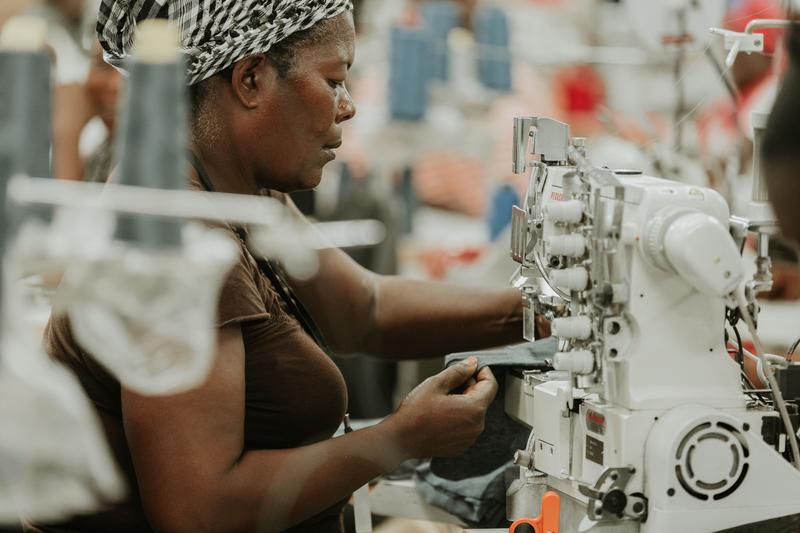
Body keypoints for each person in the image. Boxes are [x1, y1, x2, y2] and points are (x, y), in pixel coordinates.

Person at [38, 1, 533, 532]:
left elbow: (365, 310)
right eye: (334, 80)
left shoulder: (242, 192)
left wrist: (536, 311)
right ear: (250, 78)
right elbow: (196, 511)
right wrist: (398, 438)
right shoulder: (175, 239)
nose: (348, 108)